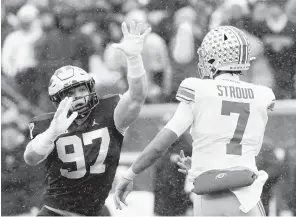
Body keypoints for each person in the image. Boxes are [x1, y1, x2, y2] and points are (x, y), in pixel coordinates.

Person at [114, 26, 275, 216]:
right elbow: (233, 141)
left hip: (208, 196)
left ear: (214, 58)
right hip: (246, 197)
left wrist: (130, 174)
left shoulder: (198, 89)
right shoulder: (263, 95)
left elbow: (159, 146)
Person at [23, 21, 151, 216]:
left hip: (96, 211)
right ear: (58, 99)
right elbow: (31, 158)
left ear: (90, 88)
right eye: (70, 92)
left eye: (82, 89)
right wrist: (51, 134)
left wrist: (134, 59)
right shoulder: (48, 124)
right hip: (56, 213)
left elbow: (136, 97)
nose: (79, 96)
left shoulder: (109, 112)